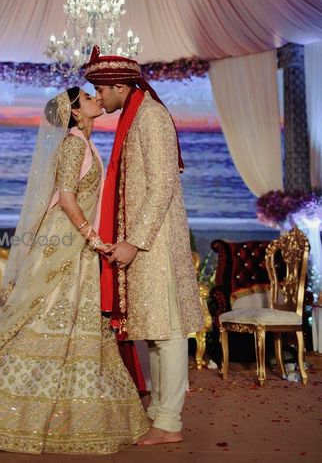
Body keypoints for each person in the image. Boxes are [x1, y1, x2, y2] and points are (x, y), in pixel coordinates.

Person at [0, 87, 149, 455]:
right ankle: (5, 411)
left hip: (76, 242)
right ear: (75, 113)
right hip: (66, 241)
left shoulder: (84, 143)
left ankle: (67, 412)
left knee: (71, 321)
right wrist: (95, 240)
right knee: (47, 316)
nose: (97, 98)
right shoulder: (73, 144)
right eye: (87, 97)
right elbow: (66, 199)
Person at [84, 46, 204, 446]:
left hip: (157, 244)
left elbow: (163, 184)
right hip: (144, 241)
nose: (98, 99)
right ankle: (158, 412)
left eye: (101, 91)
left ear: (120, 85)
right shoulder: (135, 116)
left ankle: (169, 422)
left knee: (167, 330)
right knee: (153, 329)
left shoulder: (150, 116)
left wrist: (134, 241)